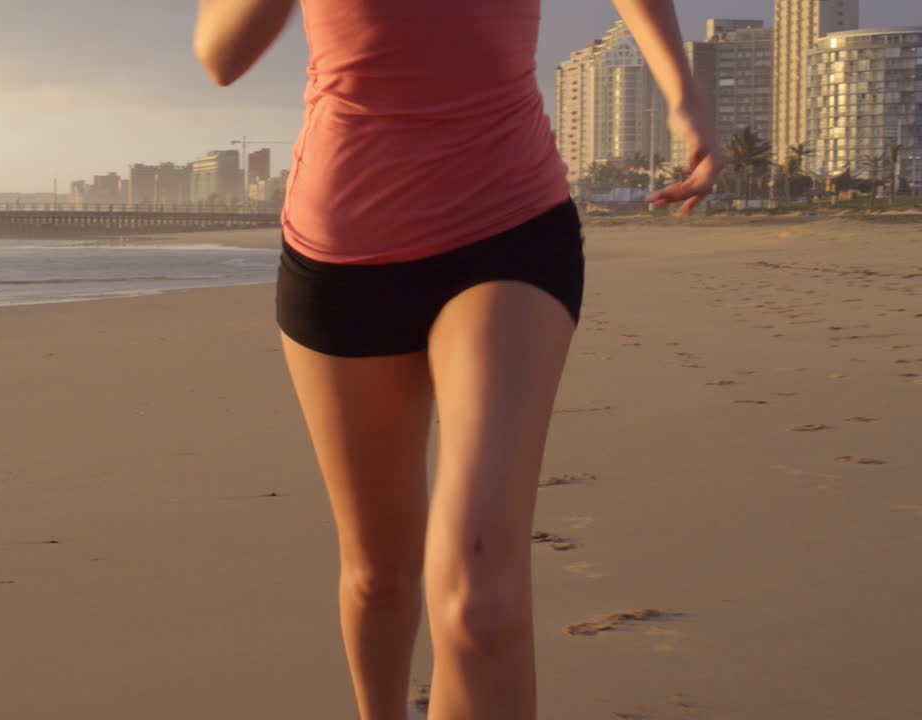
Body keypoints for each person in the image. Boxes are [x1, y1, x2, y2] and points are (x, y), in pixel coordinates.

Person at [193, 1, 723, 718]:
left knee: (481, 598)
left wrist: (683, 94)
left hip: (508, 230)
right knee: (379, 577)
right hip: (346, 250)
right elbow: (219, 56)